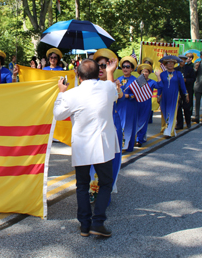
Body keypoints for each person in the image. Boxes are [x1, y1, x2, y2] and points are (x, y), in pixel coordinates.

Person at [53, 59, 120, 237]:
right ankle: (98, 222)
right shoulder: (107, 87)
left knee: (82, 185)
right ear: (99, 71)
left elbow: (58, 114)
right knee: (105, 183)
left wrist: (61, 93)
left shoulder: (71, 94)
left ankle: (84, 225)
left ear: (78, 76)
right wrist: (111, 71)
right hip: (102, 145)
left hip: (82, 145)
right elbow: (114, 93)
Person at [90, 49, 123, 202]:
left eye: (105, 65)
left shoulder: (115, 84)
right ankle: (93, 192)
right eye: (98, 65)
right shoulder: (89, 84)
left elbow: (116, 95)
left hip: (112, 128)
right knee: (92, 161)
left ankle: (104, 195)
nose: (101, 68)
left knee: (109, 162)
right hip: (94, 128)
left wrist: (113, 81)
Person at [158, 55, 188, 137]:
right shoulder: (162, 74)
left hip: (174, 95)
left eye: (172, 63)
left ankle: (168, 131)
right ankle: (169, 128)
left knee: (171, 112)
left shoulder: (178, 74)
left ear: (174, 64)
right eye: (168, 63)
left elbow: (182, 85)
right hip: (164, 96)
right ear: (165, 65)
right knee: (165, 112)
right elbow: (160, 85)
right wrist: (158, 95)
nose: (170, 64)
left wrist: (186, 94)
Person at [136, 63, 162, 146]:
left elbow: (160, 86)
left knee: (143, 121)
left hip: (146, 104)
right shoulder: (137, 81)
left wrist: (158, 76)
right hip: (137, 104)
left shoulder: (151, 82)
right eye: (143, 72)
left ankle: (139, 139)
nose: (145, 73)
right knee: (136, 121)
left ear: (149, 73)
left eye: (146, 72)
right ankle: (137, 137)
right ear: (140, 73)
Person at [117, 55, 138, 152]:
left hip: (130, 106)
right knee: (119, 125)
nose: (125, 68)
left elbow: (139, 95)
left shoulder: (136, 80)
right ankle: (118, 145)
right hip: (119, 106)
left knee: (128, 124)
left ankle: (126, 145)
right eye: (123, 66)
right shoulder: (118, 79)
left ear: (132, 68)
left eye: (128, 67)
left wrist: (128, 96)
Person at [175, 54, 195, 130]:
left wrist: (186, 80)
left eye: (183, 60)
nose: (182, 61)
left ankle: (188, 122)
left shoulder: (190, 69)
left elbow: (193, 79)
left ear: (186, 60)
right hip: (178, 91)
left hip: (187, 91)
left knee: (186, 107)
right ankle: (179, 124)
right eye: (180, 60)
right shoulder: (176, 69)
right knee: (178, 108)